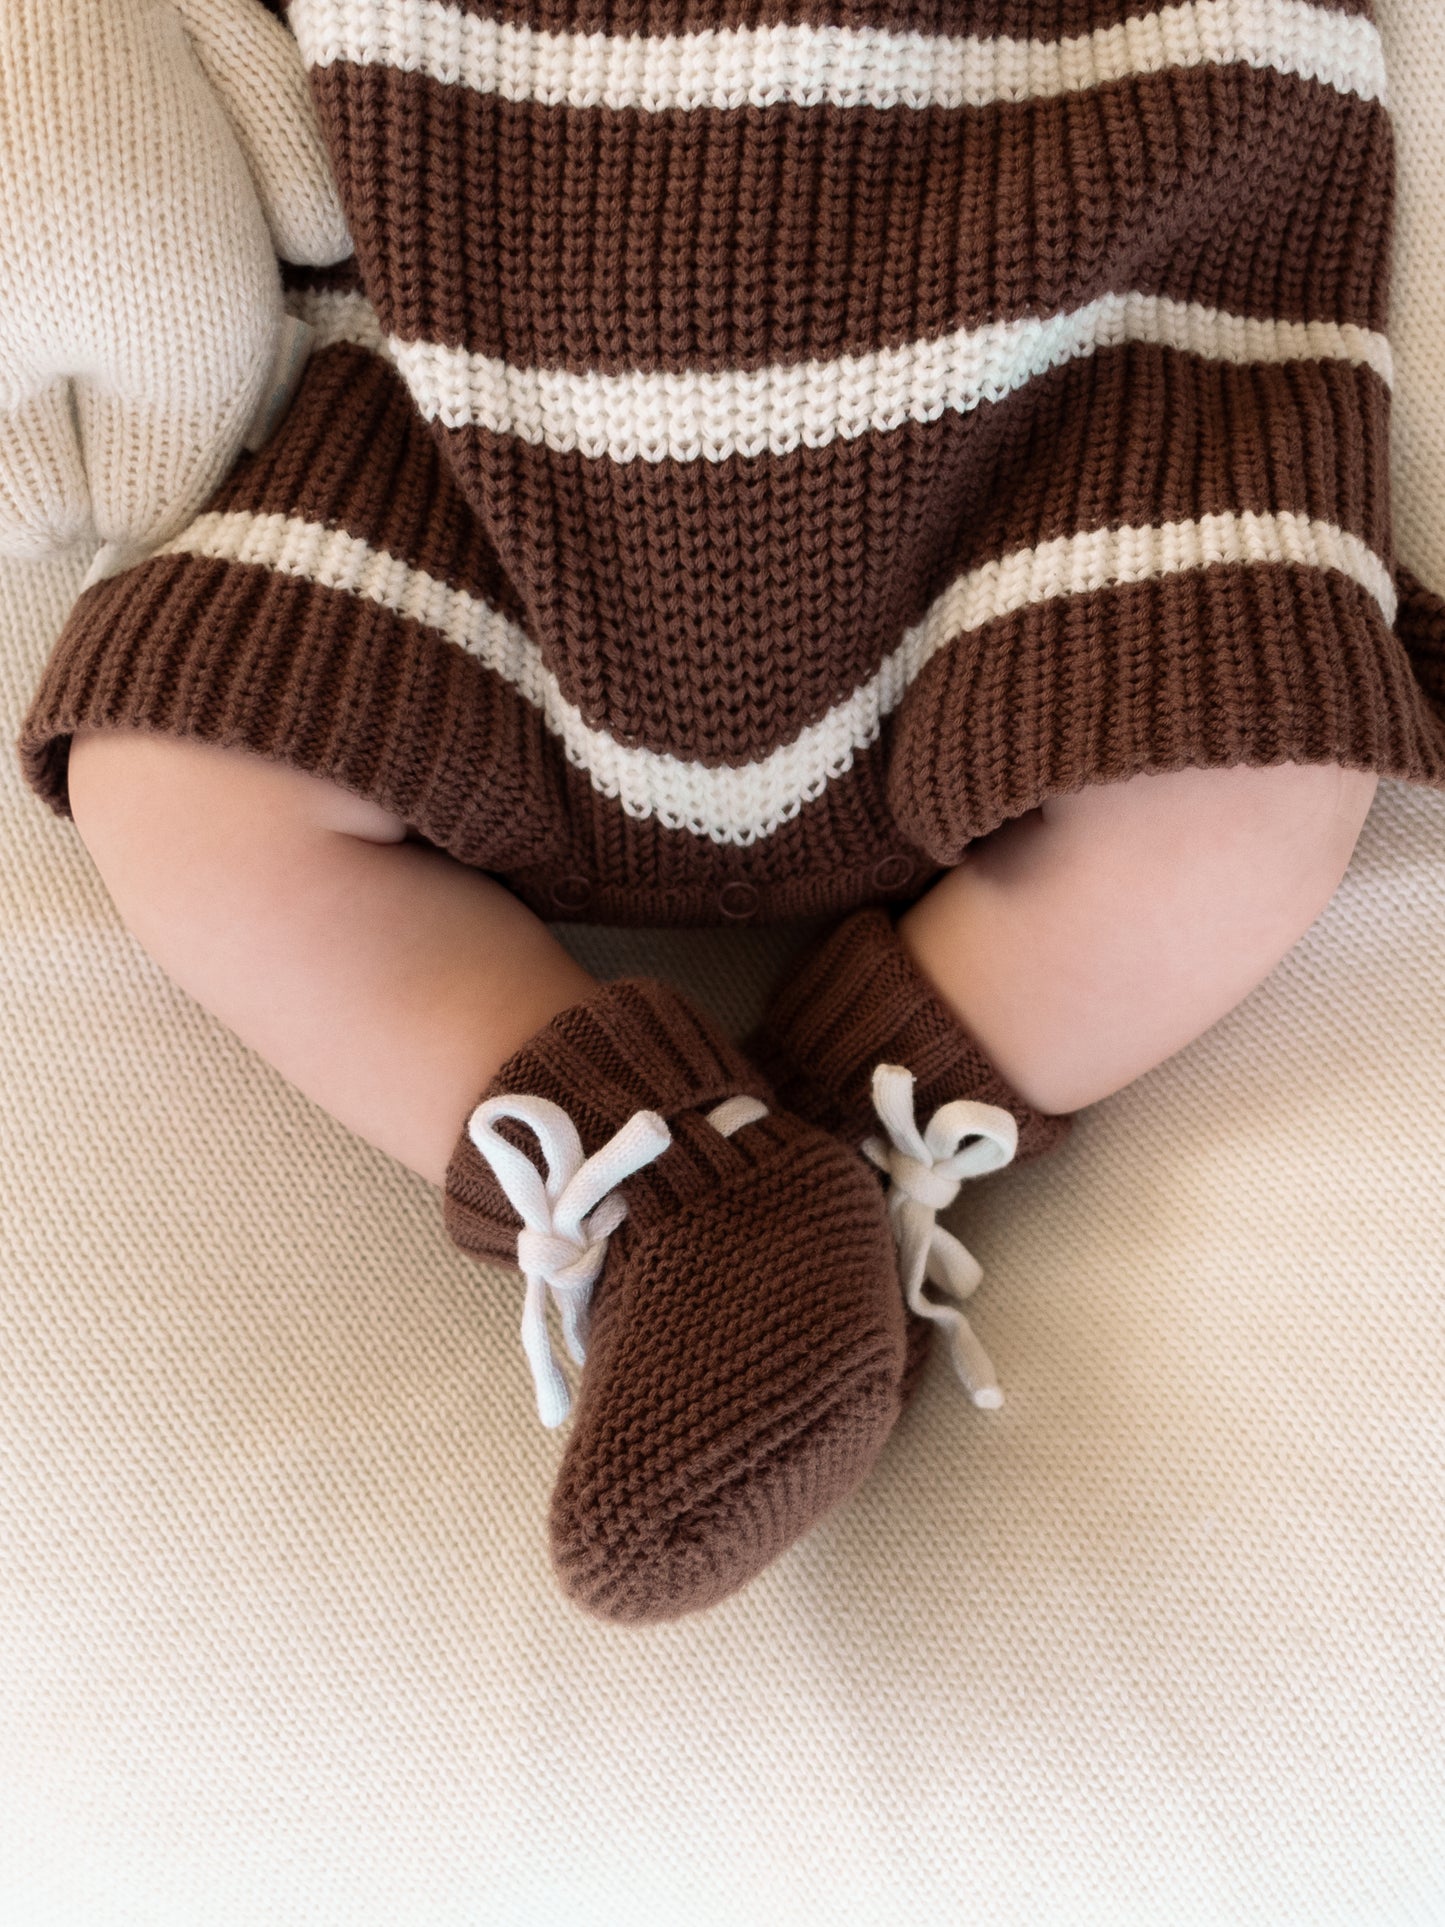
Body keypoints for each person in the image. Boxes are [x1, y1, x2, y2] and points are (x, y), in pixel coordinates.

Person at [5, 0, 1442, 1623]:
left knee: (1244, 775)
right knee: (182, 767)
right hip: (487, 424)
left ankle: (760, 1188)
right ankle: (665, 1183)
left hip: (1057, 407)